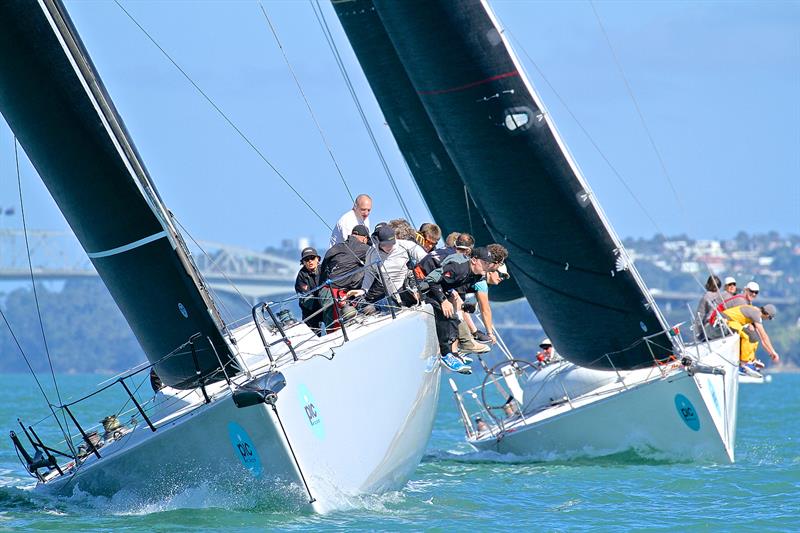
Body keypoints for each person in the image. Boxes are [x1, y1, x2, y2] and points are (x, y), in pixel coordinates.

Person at [423, 246, 494, 374]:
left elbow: (450, 283)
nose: (487, 267)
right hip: (426, 289)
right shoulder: (459, 267)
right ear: (474, 260)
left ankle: (451, 354)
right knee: (448, 316)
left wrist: (464, 305)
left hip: (439, 289)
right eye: (484, 263)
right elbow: (432, 280)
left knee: (455, 317)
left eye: (489, 264)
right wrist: (443, 300)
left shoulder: (476, 275)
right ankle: (445, 355)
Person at [347, 224, 427, 308]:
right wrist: (363, 290)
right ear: (378, 242)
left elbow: (427, 259)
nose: (389, 247)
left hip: (410, 289)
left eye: (392, 243)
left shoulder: (406, 246)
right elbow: (369, 273)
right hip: (393, 298)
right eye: (385, 244)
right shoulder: (371, 253)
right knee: (368, 309)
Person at [319, 224, 370, 328]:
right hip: (337, 292)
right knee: (339, 328)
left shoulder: (336, 247)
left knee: (332, 328)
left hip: (324, 291)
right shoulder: (365, 248)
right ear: (364, 238)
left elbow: (323, 269)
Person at [721, 303, 780, 376]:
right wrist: (774, 352)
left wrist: (771, 353)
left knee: (754, 337)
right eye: (770, 318)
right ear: (767, 315)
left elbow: (762, 339)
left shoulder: (755, 311)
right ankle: (743, 364)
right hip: (725, 320)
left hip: (732, 321)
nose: (768, 320)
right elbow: (764, 336)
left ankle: (750, 360)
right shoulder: (756, 314)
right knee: (748, 336)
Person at [294, 246, 322, 325]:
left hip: (327, 306)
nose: (310, 261)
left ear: (317, 259)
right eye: (306, 259)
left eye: (312, 258)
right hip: (310, 312)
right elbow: (305, 298)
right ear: (303, 262)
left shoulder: (324, 269)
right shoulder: (301, 276)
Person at [694, 275, 724, 340]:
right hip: (722, 325)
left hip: (711, 327)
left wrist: (698, 334)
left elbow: (699, 316)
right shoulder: (723, 295)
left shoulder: (706, 297)